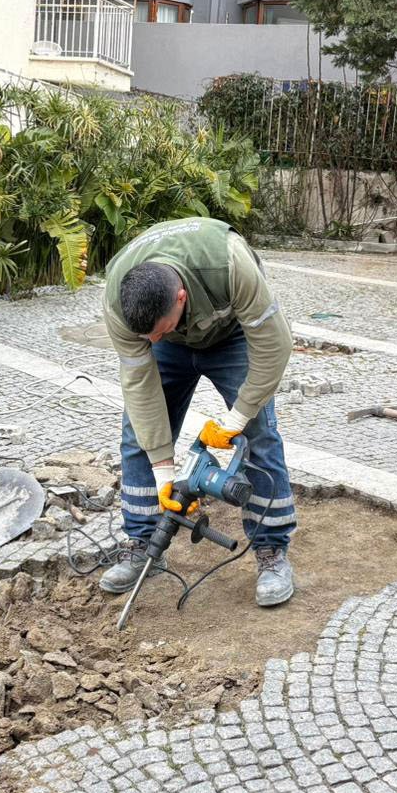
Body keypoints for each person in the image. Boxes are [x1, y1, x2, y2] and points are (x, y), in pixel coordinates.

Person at [99, 216, 296, 606]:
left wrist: (237, 419)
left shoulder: (229, 263)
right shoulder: (120, 303)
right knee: (138, 434)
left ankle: (271, 550)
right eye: (146, 336)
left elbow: (276, 347)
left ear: (181, 298)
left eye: (157, 330)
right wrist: (163, 473)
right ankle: (141, 543)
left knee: (258, 433)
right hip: (175, 343)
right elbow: (140, 387)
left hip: (232, 335)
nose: (151, 340)